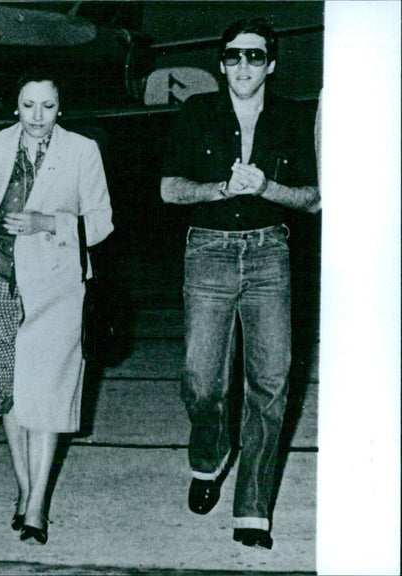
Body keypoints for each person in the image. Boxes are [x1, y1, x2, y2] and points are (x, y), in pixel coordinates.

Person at [161, 18, 320, 550]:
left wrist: (268, 186)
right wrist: (218, 188)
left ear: (271, 64)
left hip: (270, 251)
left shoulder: (293, 118)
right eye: (234, 56)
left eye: (255, 56)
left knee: (271, 382)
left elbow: (313, 198)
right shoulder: (196, 113)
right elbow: (168, 189)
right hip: (207, 251)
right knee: (201, 381)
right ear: (221, 63)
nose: (244, 66)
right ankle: (209, 457)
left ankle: (252, 508)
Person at [0, 71, 113, 545]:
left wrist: (47, 222)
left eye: (49, 107)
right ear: (15, 106)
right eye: (29, 106)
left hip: (56, 290)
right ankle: (25, 489)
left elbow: (101, 223)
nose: (39, 117)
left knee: (48, 395)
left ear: (62, 108)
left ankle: (37, 505)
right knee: (12, 395)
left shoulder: (82, 151)